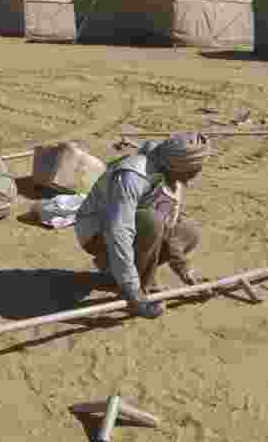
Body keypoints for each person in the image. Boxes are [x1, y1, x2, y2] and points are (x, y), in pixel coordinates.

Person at [74, 132, 211, 319]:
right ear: (179, 166)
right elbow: (119, 232)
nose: (197, 173)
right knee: (151, 221)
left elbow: (169, 230)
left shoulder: (172, 177)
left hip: (133, 228)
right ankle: (137, 287)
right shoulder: (133, 176)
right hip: (97, 232)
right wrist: (132, 289)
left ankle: (120, 272)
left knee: (188, 231)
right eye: (194, 168)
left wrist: (186, 271)